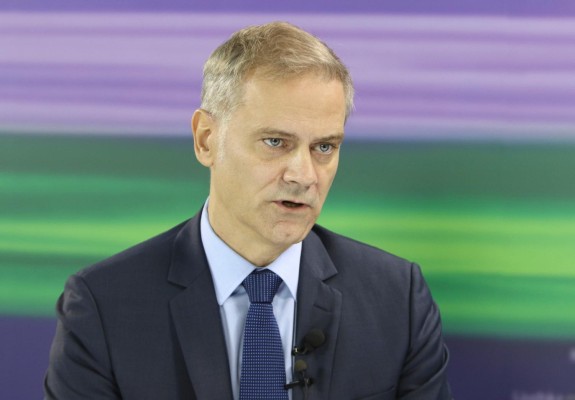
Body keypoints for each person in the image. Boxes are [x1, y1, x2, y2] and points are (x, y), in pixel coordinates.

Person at [44, 21, 452, 399]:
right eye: (276, 142)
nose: (304, 175)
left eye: (324, 147)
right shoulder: (104, 306)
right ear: (206, 140)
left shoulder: (398, 299)